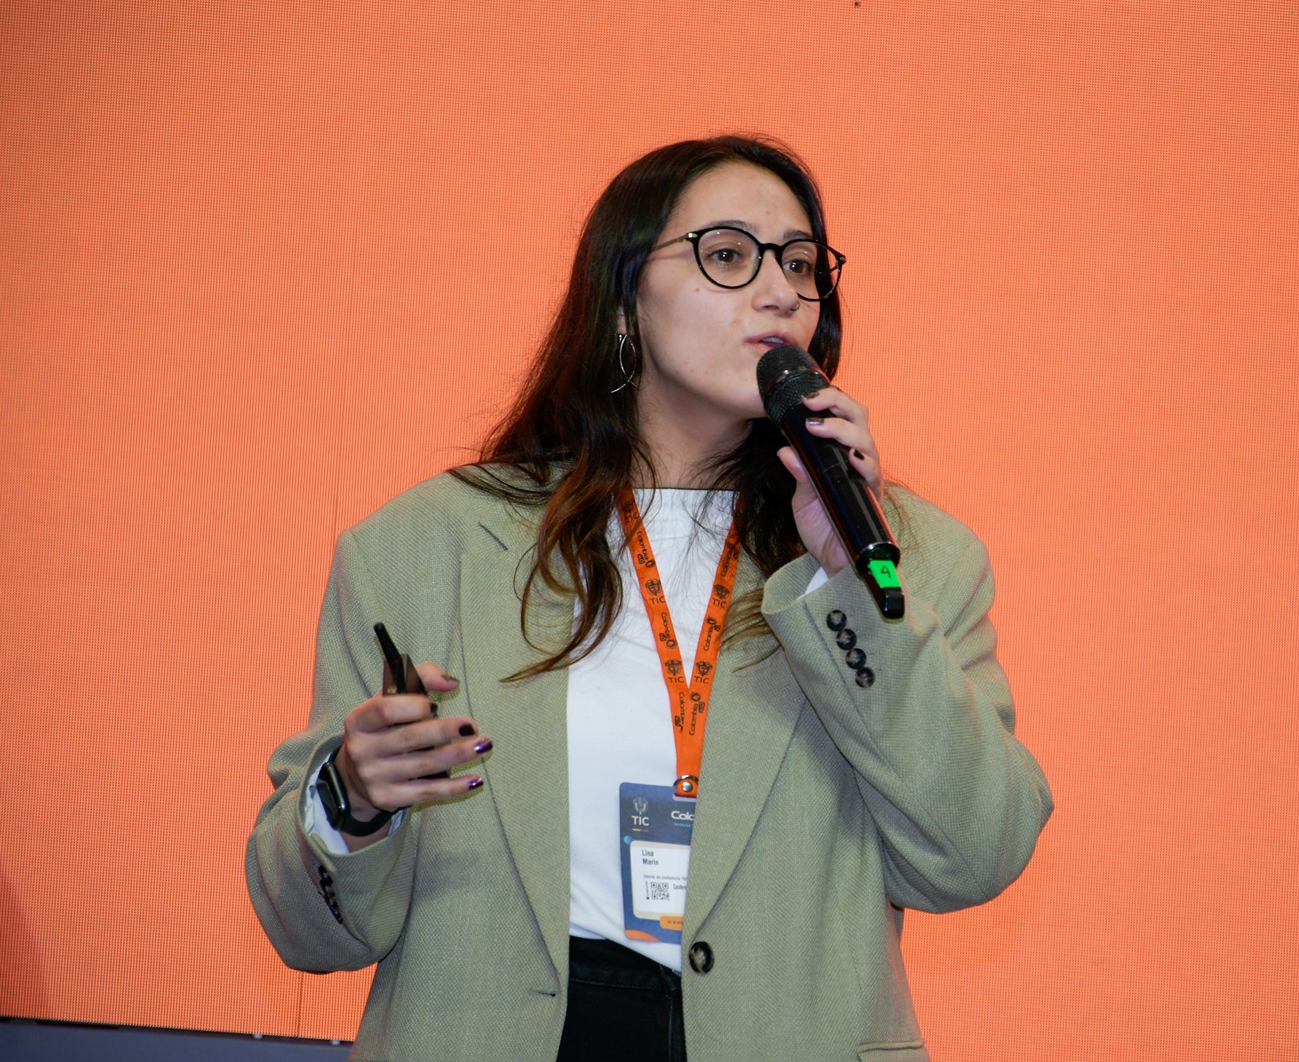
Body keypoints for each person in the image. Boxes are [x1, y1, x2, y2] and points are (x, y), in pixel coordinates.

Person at [246, 135, 1052, 1062]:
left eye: (800, 263)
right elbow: (306, 929)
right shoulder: (428, 547)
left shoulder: (907, 559)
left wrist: (850, 583)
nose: (780, 290)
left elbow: (975, 857)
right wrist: (350, 800)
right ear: (624, 298)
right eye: (728, 254)